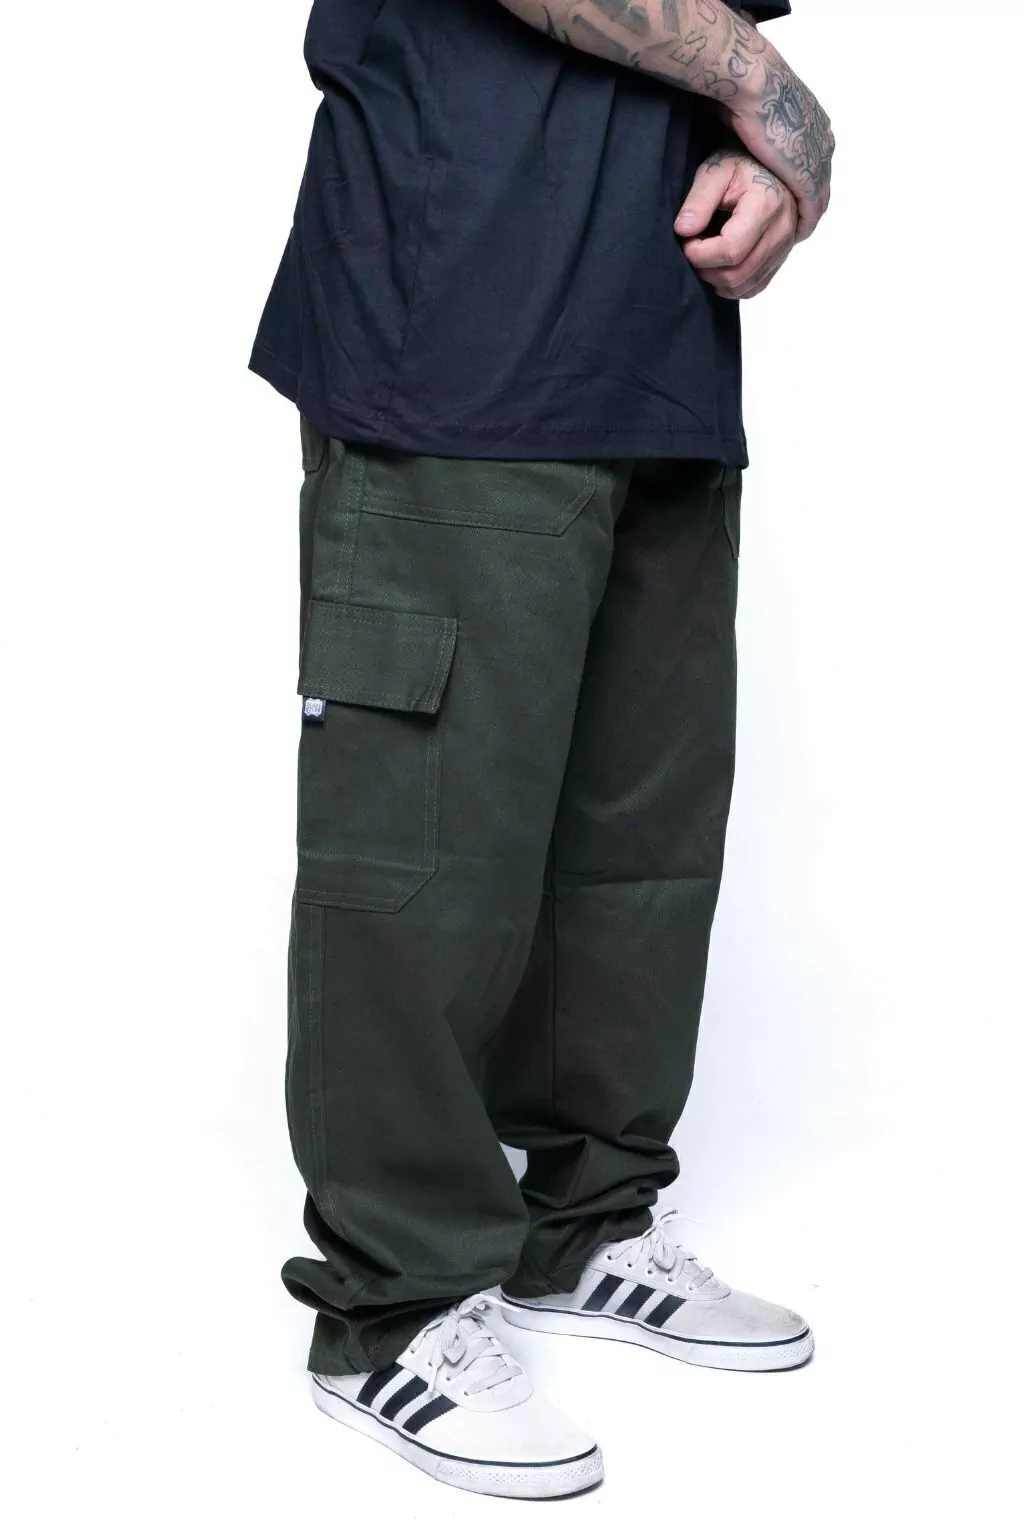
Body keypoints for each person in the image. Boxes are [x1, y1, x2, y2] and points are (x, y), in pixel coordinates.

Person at [249, 0, 833, 1500]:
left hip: (658, 345)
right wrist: (769, 88)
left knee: (639, 838)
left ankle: (588, 1221)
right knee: (427, 848)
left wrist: (769, 160)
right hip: (459, 315)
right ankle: (392, 1307)